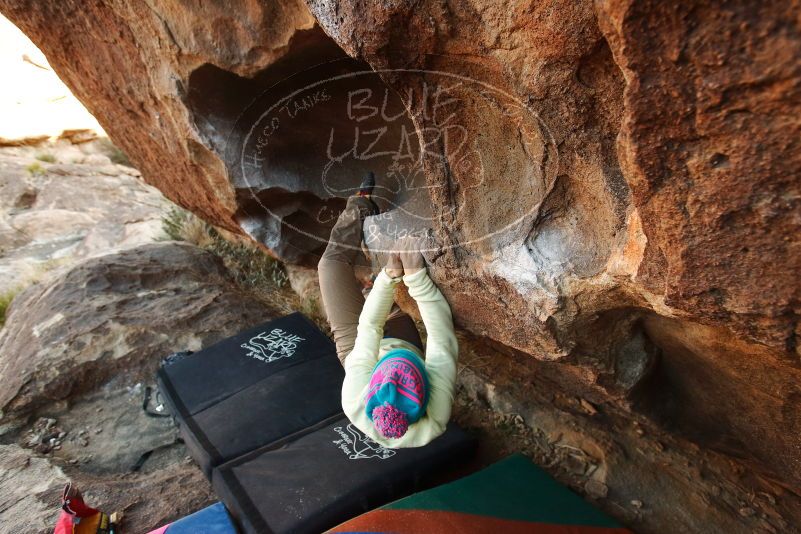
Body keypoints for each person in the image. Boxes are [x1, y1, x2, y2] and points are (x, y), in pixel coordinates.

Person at [317, 172, 458, 448]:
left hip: (357, 350)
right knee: (395, 300)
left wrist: (388, 276)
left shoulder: (355, 398)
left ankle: (361, 206)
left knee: (329, 267)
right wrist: (415, 277)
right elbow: (442, 341)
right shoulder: (437, 411)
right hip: (405, 343)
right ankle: (372, 287)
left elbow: (368, 329)